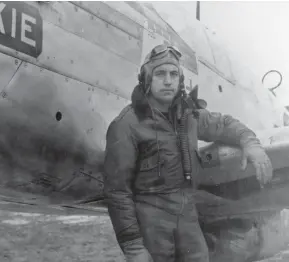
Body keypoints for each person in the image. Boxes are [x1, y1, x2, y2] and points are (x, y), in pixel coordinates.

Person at [102, 44, 273, 262]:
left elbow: (225, 124)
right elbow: (117, 192)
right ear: (147, 79)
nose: (168, 80)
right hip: (152, 224)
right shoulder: (126, 125)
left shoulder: (189, 117)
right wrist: (134, 247)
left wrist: (252, 145)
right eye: (160, 74)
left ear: (180, 80)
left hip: (188, 219)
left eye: (174, 74)